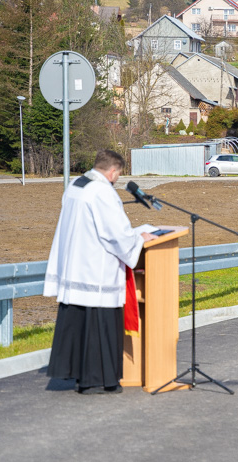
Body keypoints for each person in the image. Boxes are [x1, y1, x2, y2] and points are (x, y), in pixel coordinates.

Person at [44, 150, 156, 394]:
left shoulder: (77, 184)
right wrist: (138, 238)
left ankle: (76, 374)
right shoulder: (103, 191)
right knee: (99, 326)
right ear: (113, 171)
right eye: (118, 175)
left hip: (76, 264)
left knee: (78, 324)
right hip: (96, 270)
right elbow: (115, 233)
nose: (117, 180)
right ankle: (98, 379)